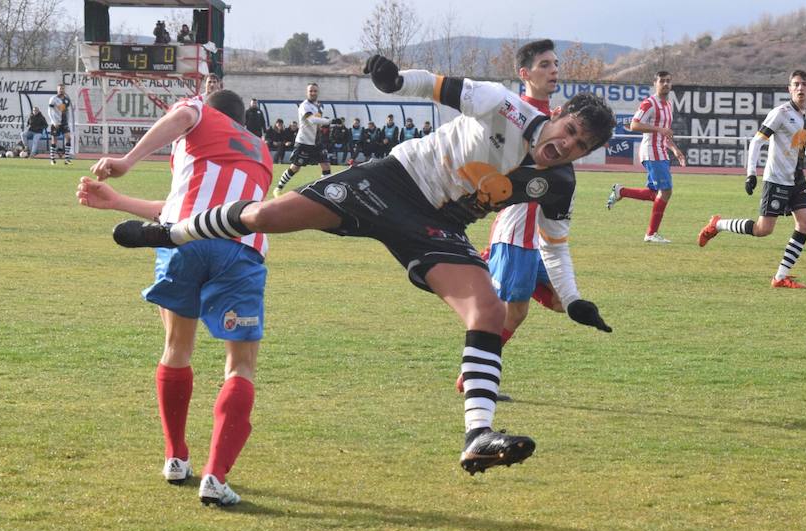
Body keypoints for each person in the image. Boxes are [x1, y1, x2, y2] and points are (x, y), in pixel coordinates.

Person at [111, 55, 616, 476]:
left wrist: (572, 300)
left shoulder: (561, 184)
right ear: (558, 116)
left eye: (579, 145)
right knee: (270, 213)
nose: (566, 144)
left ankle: (478, 434)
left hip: (437, 227)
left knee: (487, 309)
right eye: (569, 130)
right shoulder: (505, 106)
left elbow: (556, 243)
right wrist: (396, 81)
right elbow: (442, 87)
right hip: (391, 181)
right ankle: (170, 232)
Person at [77, 89, 273, 506]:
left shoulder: (198, 111)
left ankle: (175, 457)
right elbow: (202, 203)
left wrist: (127, 161)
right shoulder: (260, 150)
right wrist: (118, 203)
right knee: (240, 365)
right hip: (240, 246)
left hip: (181, 240)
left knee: (176, 348)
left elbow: (182, 122)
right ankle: (216, 477)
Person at [460, 38, 567, 401]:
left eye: (555, 64)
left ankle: (487, 261)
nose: (554, 70)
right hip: (517, 230)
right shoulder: (520, 116)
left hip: (532, 236)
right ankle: (475, 380)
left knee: (559, 301)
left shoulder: (549, 117)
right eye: (545, 65)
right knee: (509, 312)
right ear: (524, 74)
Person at [698, 69, 806, 289]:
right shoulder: (781, 113)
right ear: (789, 89)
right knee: (763, 230)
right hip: (776, 179)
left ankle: (780, 277)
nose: (800, 88)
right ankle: (717, 224)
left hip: (797, 178)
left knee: (805, 224)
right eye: (796, 84)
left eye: (805, 84)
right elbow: (757, 142)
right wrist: (751, 173)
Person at [606, 70, 686, 243]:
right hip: (651, 151)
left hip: (662, 151)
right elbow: (634, 125)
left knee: (654, 193)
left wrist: (675, 149)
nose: (665, 84)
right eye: (662, 81)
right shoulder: (649, 103)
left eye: (668, 81)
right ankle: (651, 234)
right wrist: (659, 130)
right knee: (666, 191)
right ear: (655, 83)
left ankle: (621, 191)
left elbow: (665, 133)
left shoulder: (669, 105)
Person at [273, 83, 333, 195]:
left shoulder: (319, 106)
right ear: (307, 92)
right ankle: (278, 188)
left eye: (315, 91)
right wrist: (328, 121)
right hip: (304, 142)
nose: (313, 93)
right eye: (311, 91)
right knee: (295, 168)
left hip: (317, 142)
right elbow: (311, 120)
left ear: (318, 92)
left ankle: (324, 192)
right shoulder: (304, 106)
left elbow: (318, 123)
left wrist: (326, 125)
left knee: (326, 166)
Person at [47, 83, 74, 165]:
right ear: (57, 90)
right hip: (56, 123)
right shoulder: (53, 99)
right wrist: (54, 121)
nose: (61, 90)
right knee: (54, 140)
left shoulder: (66, 99)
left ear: (64, 89)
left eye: (62, 89)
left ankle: (67, 159)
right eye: (60, 89)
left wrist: (68, 121)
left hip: (64, 123)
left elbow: (66, 111)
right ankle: (52, 159)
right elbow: (50, 111)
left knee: (68, 138)